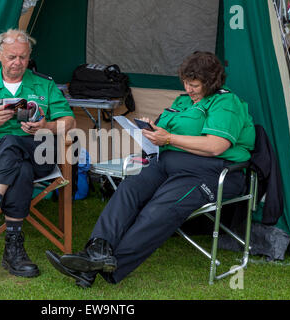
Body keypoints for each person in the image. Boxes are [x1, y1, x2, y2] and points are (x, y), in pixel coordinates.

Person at [46, 51, 255, 287]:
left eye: (194, 84)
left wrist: (169, 139)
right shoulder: (183, 101)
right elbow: (167, 133)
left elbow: (216, 145)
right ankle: (96, 250)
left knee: (157, 210)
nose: (188, 89)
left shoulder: (226, 102)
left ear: (211, 82)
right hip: (166, 163)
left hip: (209, 171)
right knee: (128, 189)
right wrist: (153, 131)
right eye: (186, 82)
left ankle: (105, 266)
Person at [0, 29, 75, 278]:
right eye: (11, 57)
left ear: (29, 56)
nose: (17, 62)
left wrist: (45, 126)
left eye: (22, 57)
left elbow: (69, 121)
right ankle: (13, 248)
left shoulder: (45, 84)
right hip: (2, 157)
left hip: (40, 151)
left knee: (14, 144)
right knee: (18, 163)